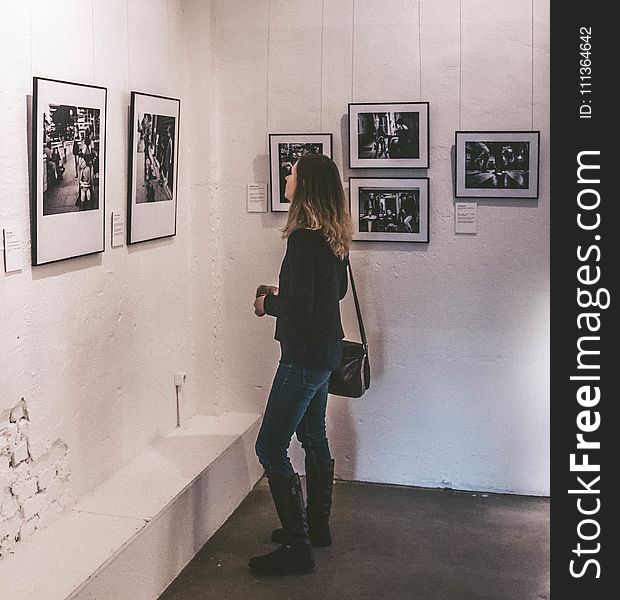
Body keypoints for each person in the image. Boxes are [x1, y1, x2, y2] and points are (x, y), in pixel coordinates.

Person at [250, 154, 353, 576]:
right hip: (327, 351)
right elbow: (335, 293)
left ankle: (297, 546)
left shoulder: (303, 240)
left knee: (269, 447)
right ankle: (317, 526)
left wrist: (266, 303)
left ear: (305, 186)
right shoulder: (332, 238)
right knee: (312, 435)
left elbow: (298, 308)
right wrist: (288, 291)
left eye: (292, 174)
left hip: (303, 358)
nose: (287, 178)